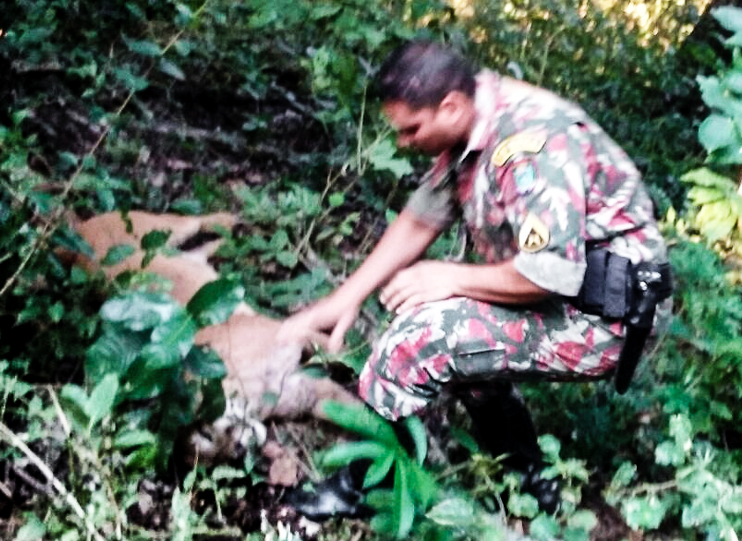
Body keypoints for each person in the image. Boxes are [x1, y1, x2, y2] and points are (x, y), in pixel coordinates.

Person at [278, 40, 672, 520]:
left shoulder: (531, 139)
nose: (403, 143)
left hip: (604, 315)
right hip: (563, 289)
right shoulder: (474, 116)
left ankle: (357, 487)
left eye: (411, 130)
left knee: (423, 336)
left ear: (450, 107)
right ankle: (529, 480)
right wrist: (345, 299)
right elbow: (423, 215)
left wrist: (451, 276)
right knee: (462, 337)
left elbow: (551, 271)